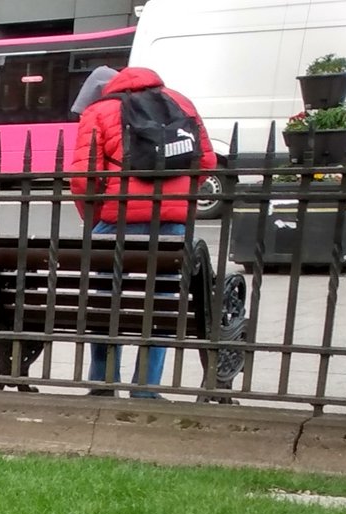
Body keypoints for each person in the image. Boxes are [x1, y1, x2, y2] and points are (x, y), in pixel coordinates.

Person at [67, 64, 217, 398]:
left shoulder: (100, 111)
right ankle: (145, 388)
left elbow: (83, 179)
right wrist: (176, 196)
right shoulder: (181, 103)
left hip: (114, 221)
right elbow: (205, 162)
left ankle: (103, 384)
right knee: (161, 305)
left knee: (105, 305)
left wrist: (94, 217)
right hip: (172, 226)